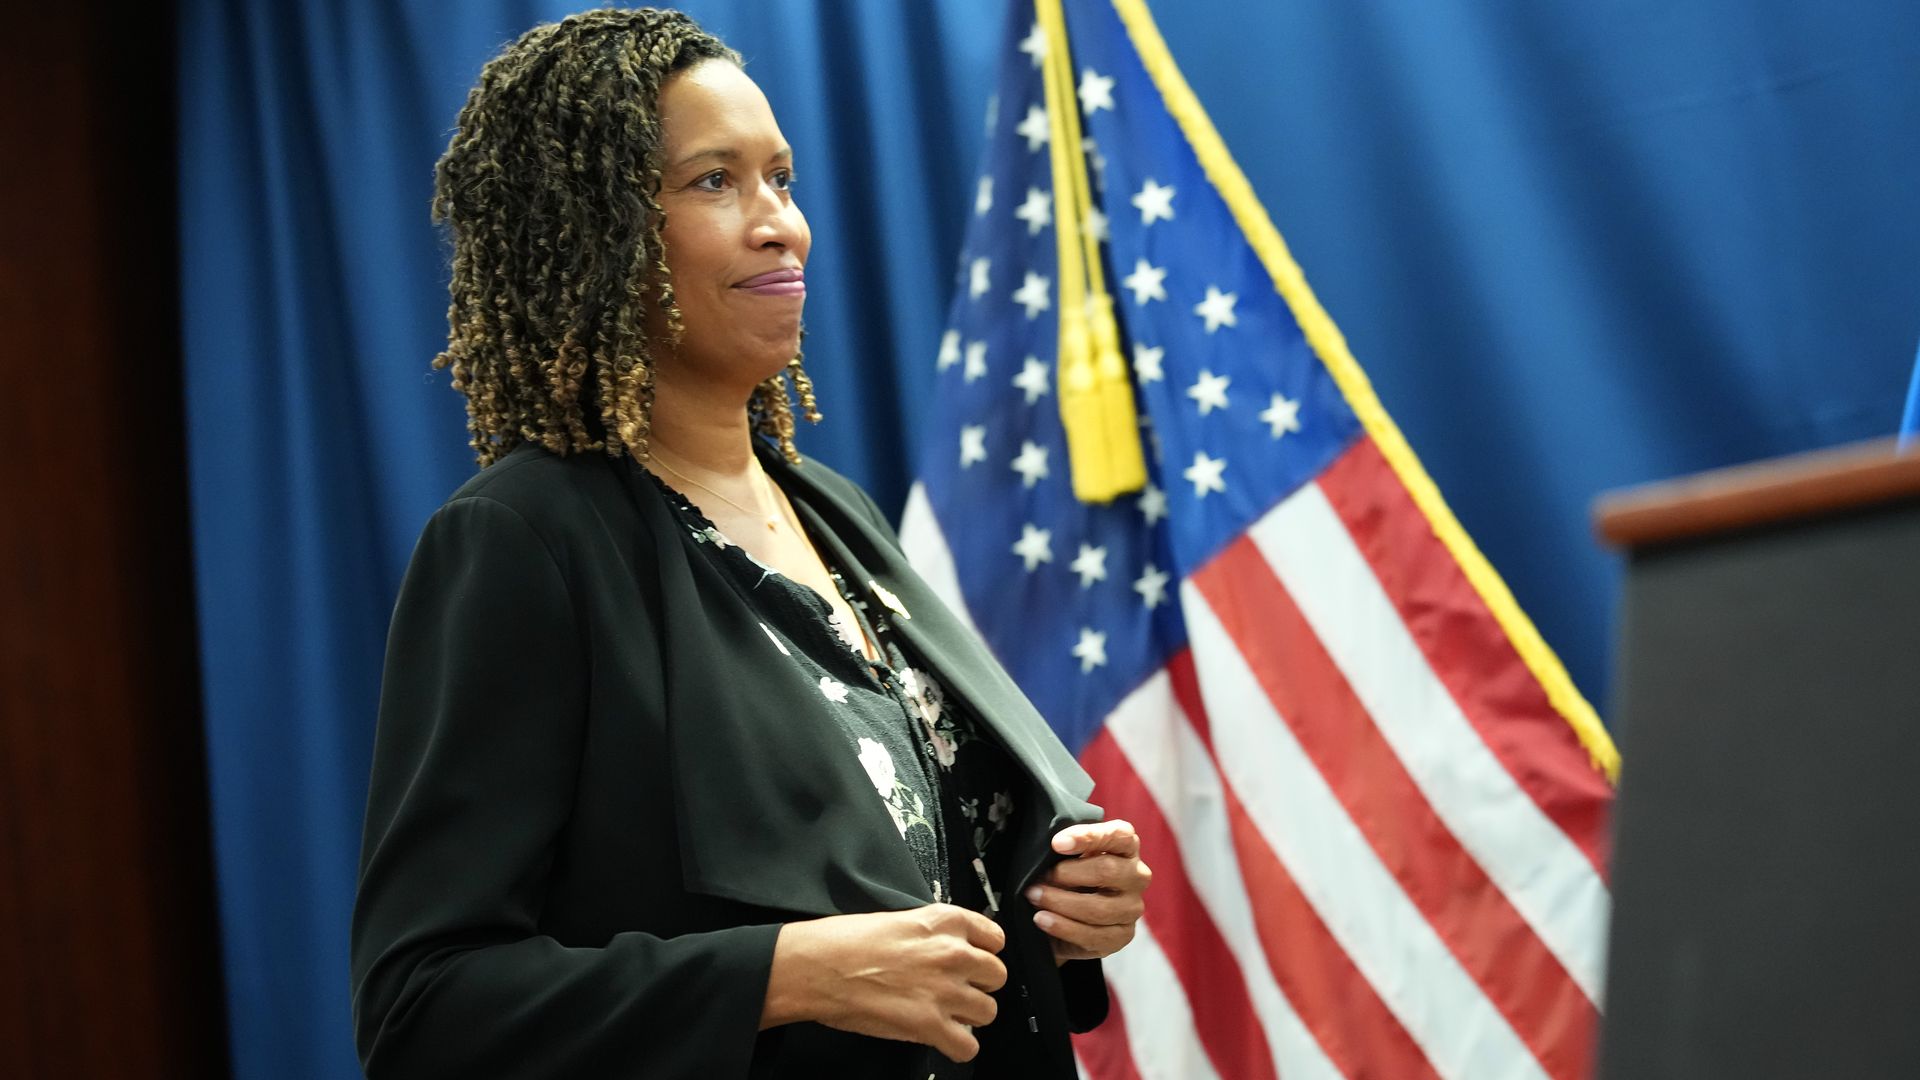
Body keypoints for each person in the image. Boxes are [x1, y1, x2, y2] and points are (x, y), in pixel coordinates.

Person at [349, 9, 1149, 1078]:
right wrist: (781, 976)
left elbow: (914, 881)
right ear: (591, 230)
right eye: (713, 181)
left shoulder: (835, 514)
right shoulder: (525, 540)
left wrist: (1060, 905)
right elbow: (423, 1009)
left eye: (781, 177)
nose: (781, 224)